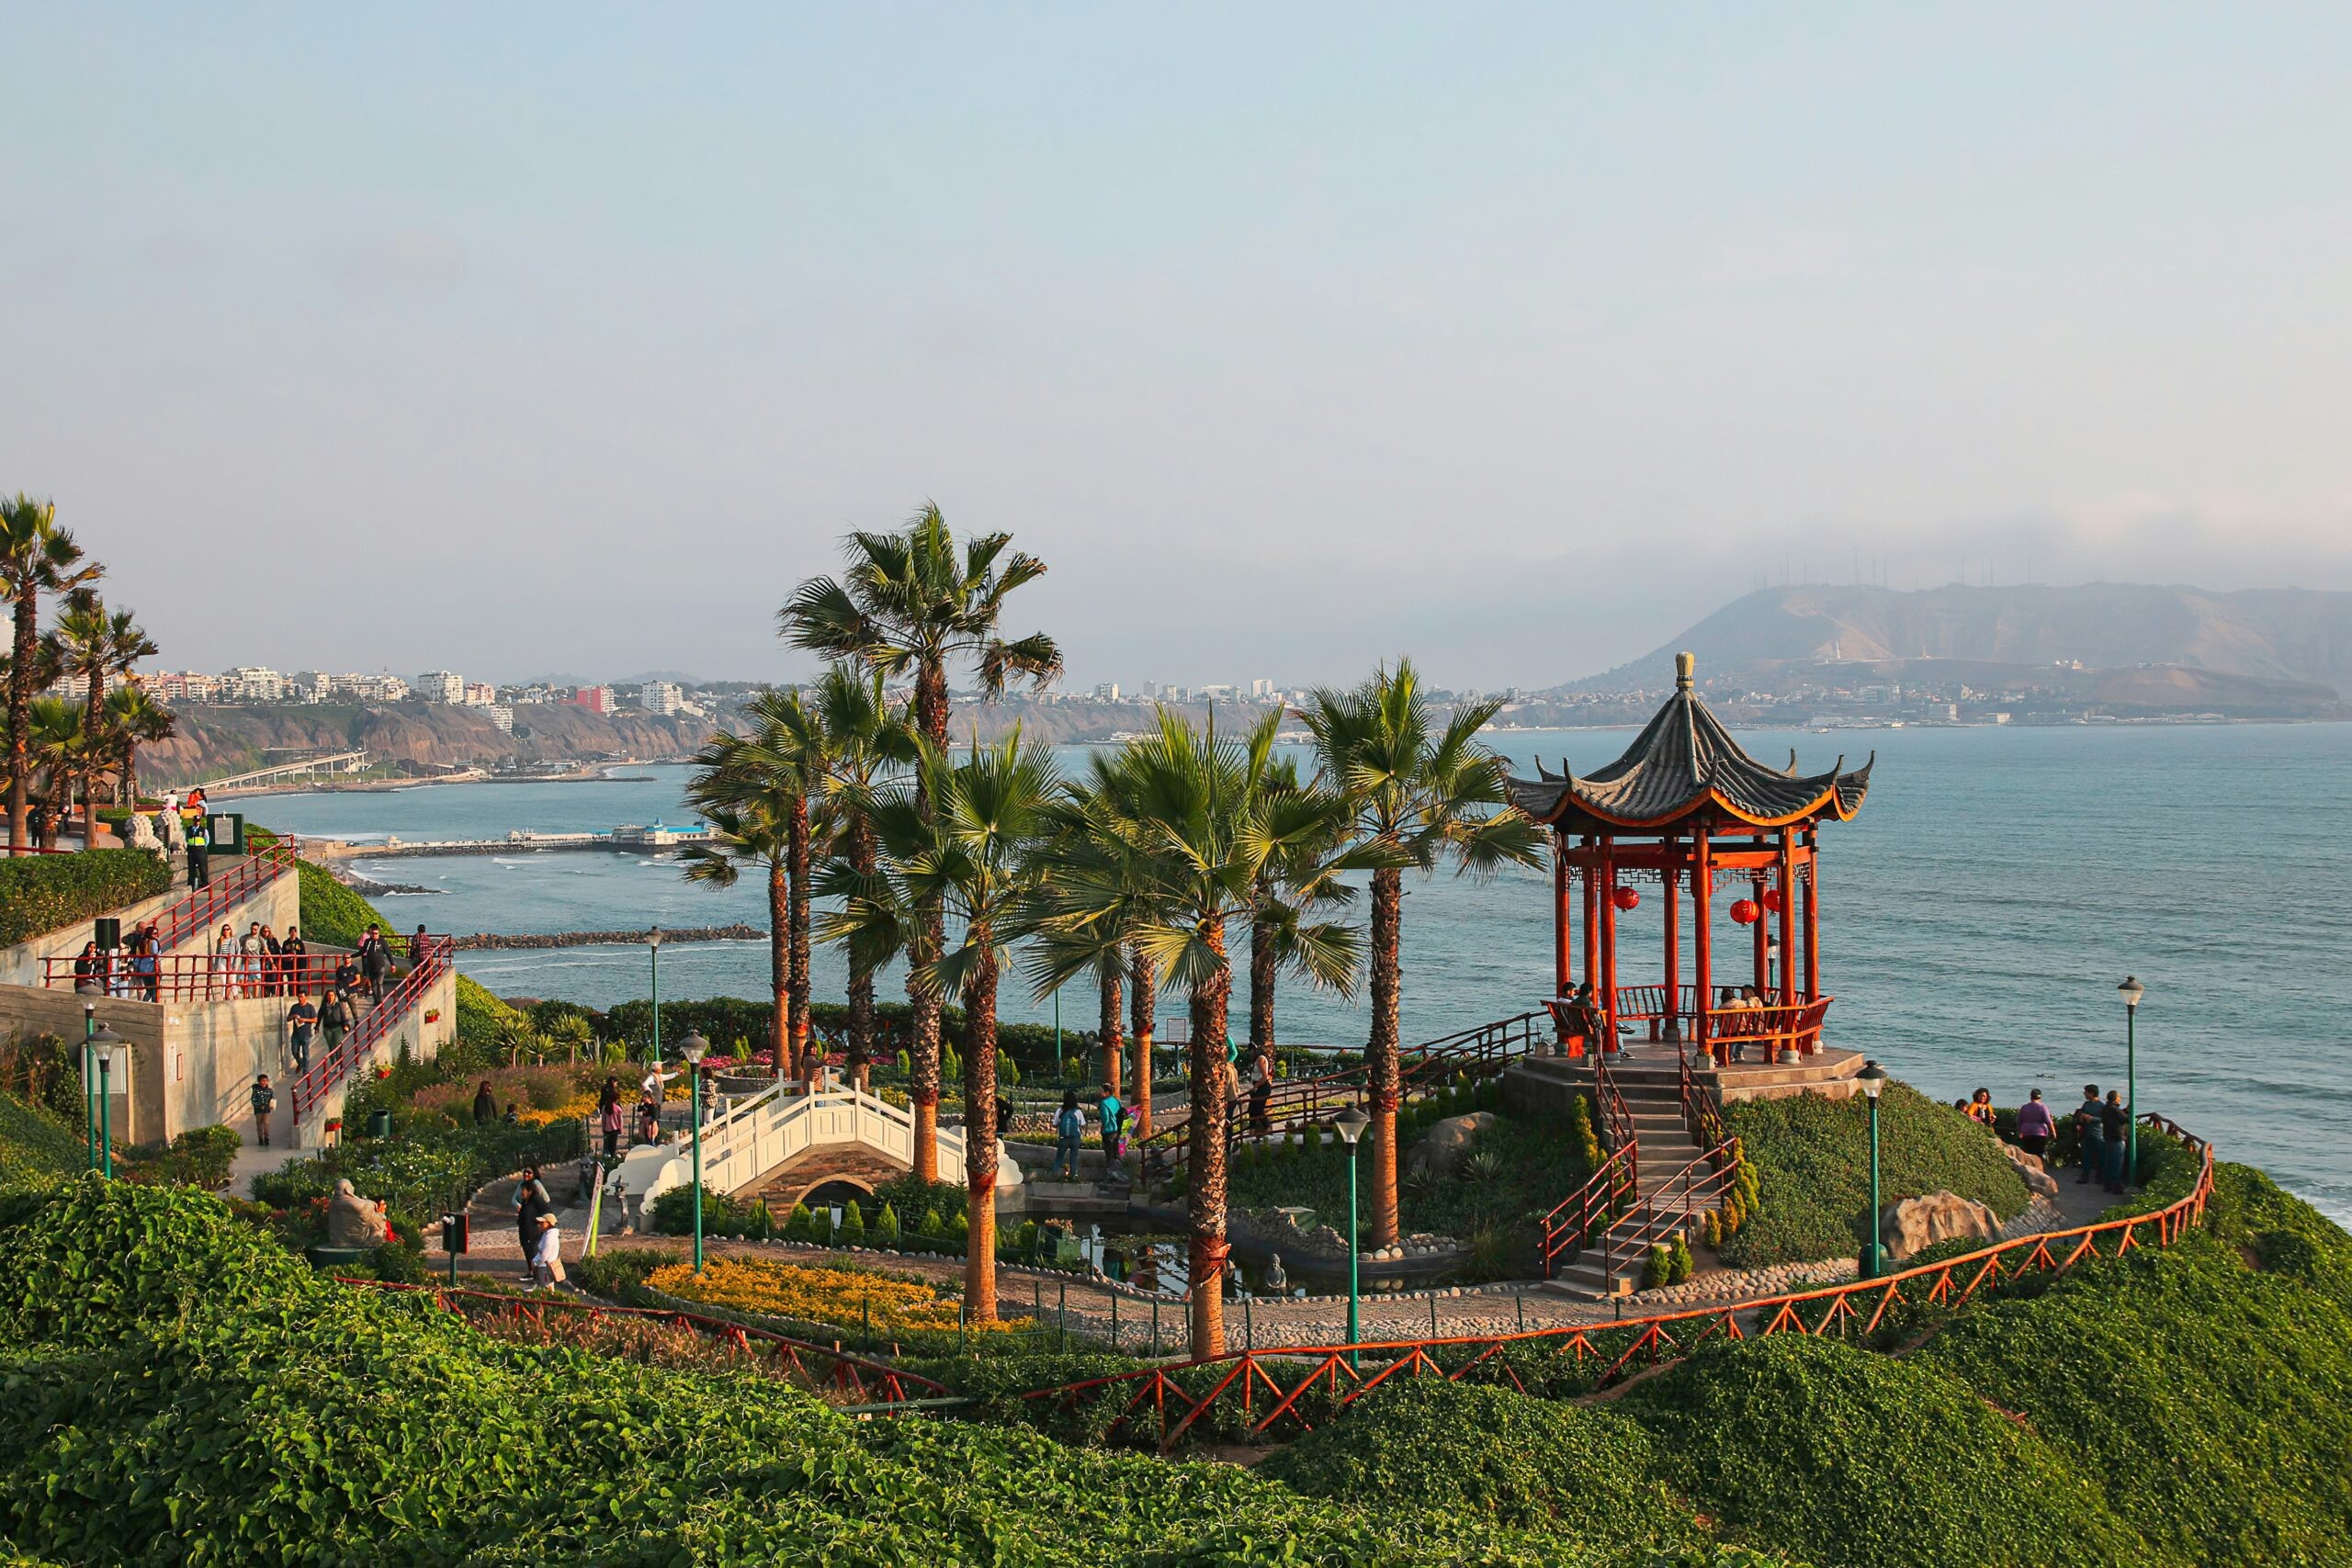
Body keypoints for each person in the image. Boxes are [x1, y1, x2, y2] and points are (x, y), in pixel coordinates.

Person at [2073, 1084, 2105, 1187]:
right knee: (2086, 1156)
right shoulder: (2086, 1104)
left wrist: (2092, 1119)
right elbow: (2081, 1116)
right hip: (2087, 1134)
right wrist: (2080, 1120)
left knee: (2101, 1157)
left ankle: (2100, 1177)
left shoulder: (2101, 1105)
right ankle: (2085, 1176)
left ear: (2092, 1093)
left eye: (2086, 1092)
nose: (2084, 1093)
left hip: (2098, 1134)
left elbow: (2104, 1119)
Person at [2101, 1089, 2131, 1193]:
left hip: (2108, 1137)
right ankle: (2117, 1187)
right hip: (2117, 1138)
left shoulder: (2106, 1108)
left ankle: (2107, 1185)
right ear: (2115, 1099)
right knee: (2117, 1164)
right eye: (2119, 1097)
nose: (2120, 1099)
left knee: (2109, 1162)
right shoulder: (2114, 1110)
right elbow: (2126, 1119)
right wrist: (2129, 1111)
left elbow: (2120, 1116)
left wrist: (2126, 1110)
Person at [2015, 1089, 2054, 1161]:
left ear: (2031, 1097)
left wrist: (2019, 1131)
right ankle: (2040, 1168)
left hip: (2026, 1133)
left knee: (2028, 1153)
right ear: (2040, 1097)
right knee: (2039, 1153)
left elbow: (2019, 1121)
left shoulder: (2024, 1107)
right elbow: (2048, 1121)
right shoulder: (2042, 1107)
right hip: (2040, 1133)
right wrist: (2053, 1132)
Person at [1053, 1090, 1084, 1180]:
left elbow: (1054, 1124)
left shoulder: (1060, 1110)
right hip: (1075, 1139)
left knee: (1058, 1159)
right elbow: (1083, 1124)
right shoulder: (1077, 1111)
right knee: (1073, 1160)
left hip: (1063, 1138)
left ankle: (1053, 1178)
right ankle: (1072, 1179)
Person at [359, 925, 392, 1003]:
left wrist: (392, 964)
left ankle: (380, 1000)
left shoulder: (381, 941)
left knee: (379, 983)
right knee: (373, 982)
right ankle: (375, 999)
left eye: (376, 933)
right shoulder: (367, 940)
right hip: (369, 964)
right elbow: (362, 948)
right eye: (373, 933)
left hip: (380, 965)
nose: (374, 934)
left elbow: (388, 952)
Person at [287, 996, 319, 1075]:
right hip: (296, 1034)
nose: (300, 999)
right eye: (299, 997)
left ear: (305, 998)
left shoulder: (310, 1007)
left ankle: (305, 1070)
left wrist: (304, 1020)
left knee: (305, 1053)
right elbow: (288, 1019)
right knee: (294, 1051)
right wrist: (293, 1016)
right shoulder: (294, 1007)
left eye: (302, 997)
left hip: (306, 1034)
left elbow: (315, 1020)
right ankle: (300, 1062)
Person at [1249, 1047, 1274, 1138]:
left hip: (1262, 1086)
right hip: (1259, 1085)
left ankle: (1267, 1128)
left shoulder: (1260, 1059)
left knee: (1258, 1109)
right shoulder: (1259, 1059)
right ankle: (1252, 1131)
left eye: (1251, 1051)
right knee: (1252, 1109)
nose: (1250, 1053)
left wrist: (1256, 1086)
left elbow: (1264, 1076)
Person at [320, 987, 354, 1056]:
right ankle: (333, 1064)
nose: (330, 997)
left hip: (337, 1027)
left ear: (335, 996)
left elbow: (343, 1015)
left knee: (336, 1044)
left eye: (332, 995)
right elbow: (319, 1016)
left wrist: (345, 1025)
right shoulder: (324, 1006)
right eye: (329, 995)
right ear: (326, 997)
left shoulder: (338, 1005)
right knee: (331, 1046)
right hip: (327, 1028)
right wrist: (317, 1027)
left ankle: (338, 1063)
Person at [184, 807, 210, 890]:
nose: (197, 823)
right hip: (191, 850)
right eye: (195, 821)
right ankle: (191, 886)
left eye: (198, 821)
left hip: (200, 850)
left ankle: (205, 885)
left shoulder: (203, 830)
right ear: (193, 821)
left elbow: (207, 840)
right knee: (191, 869)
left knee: (203, 868)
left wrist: (202, 846)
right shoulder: (188, 829)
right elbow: (186, 839)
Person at [211, 924, 240, 1000]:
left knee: (232, 982)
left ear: (230, 930)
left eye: (227, 929)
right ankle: (223, 998)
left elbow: (238, 952)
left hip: (231, 961)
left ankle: (235, 997)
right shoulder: (220, 940)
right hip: (222, 961)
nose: (226, 931)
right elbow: (218, 953)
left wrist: (235, 965)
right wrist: (216, 965)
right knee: (223, 982)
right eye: (224, 930)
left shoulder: (234, 940)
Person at [250, 1073, 277, 1148]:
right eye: (263, 1081)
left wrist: (272, 1104)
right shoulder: (256, 1091)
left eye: (266, 1080)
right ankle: (260, 1138)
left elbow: (272, 1099)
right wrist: (259, 1105)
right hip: (258, 1111)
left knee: (266, 1124)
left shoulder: (269, 1091)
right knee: (259, 1125)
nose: (265, 1082)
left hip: (266, 1110)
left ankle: (266, 1138)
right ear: (259, 1082)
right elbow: (253, 1100)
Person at [280, 925, 308, 992]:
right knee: (290, 981)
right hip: (289, 965)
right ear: (289, 933)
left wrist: (303, 966)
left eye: (294, 932)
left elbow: (303, 954)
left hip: (298, 965)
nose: (293, 933)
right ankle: (291, 995)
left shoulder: (299, 943)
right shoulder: (286, 943)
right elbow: (283, 954)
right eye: (291, 932)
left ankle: (298, 994)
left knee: (298, 980)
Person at [600, 1093, 625, 1159]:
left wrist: (603, 1127)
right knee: (613, 1145)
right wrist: (621, 1129)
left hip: (606, 1129)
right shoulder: (618, 1108)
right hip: (615, 1129)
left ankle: (606, 1158)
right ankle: (612, 1158)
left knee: (607, 1145)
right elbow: (620, 1120)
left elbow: (603, 1119)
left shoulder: (605, 1107)